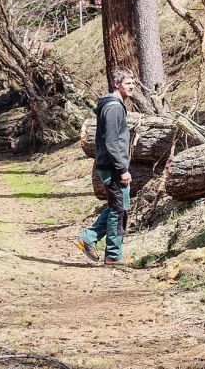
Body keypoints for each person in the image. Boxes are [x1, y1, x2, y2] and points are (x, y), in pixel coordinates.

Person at [74, 68, 134, 266]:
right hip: (113, 167)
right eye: (128, 83)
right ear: (117, 84)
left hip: (111, 165)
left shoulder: (113, 105)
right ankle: (114, 257)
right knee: (119, 210)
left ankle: (89, 238)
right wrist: (122, 168)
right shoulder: (114, 107)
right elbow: (111, 142)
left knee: (117, 207)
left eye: (132, 82)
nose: (132, 86)